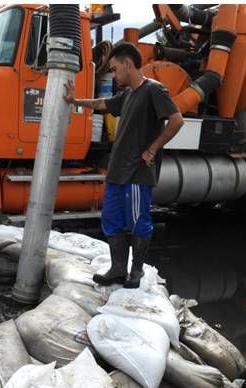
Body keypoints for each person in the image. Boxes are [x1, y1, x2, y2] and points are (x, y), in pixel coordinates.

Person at [65, 42, 184, 288]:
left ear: (128, 63)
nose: (113, 74)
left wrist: (152, 149)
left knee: (139, 221)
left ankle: (136, 271)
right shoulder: (128, 94)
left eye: (114, 68)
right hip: (117, 172)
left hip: (138, 173)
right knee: (111, 220)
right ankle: (118, 269)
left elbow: (176, 120)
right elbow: (101, 104)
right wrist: (74, 100)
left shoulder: (154, 90)